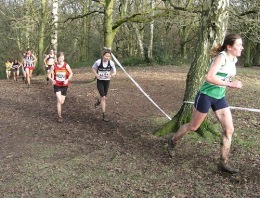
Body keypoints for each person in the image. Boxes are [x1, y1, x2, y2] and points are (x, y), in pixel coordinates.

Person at [167, 33, 244, 174]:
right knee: (193, 126)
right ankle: (172, 141)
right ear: (229, 47)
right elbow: (209, 77)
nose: (242, 47)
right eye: (238, 45)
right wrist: (231, 84)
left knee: (229, 130)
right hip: (206, 96)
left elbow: (224, 75)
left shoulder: (233, 59)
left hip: (219, 97)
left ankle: (223, 162)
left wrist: (228, 83)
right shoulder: (222, 57)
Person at [92, 48, 116, 122]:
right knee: (104, 97)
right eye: (106, 56)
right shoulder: (98, 62)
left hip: (107, 82)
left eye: (109, 56)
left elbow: (115, 72)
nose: (107, 58)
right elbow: (93, 68)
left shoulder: (111, 63)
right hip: (100, 82)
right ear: (103, 55)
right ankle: (104, 115)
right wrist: (96, 74)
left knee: (103, 97)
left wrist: (111, 75)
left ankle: (99, 101)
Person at [48, 52, 73, 123]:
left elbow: (71, 73)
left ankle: (59, 114)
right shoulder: (54, 66)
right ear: (57, 58)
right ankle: (60, 116)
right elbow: (49, 75)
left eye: (62, 58)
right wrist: (52, 79)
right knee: (59, 100)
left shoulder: (66, 65)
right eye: (60, 58)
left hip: (64, 85)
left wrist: (67, 79)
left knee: (62, 101)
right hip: (57, 85)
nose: (61, 60)